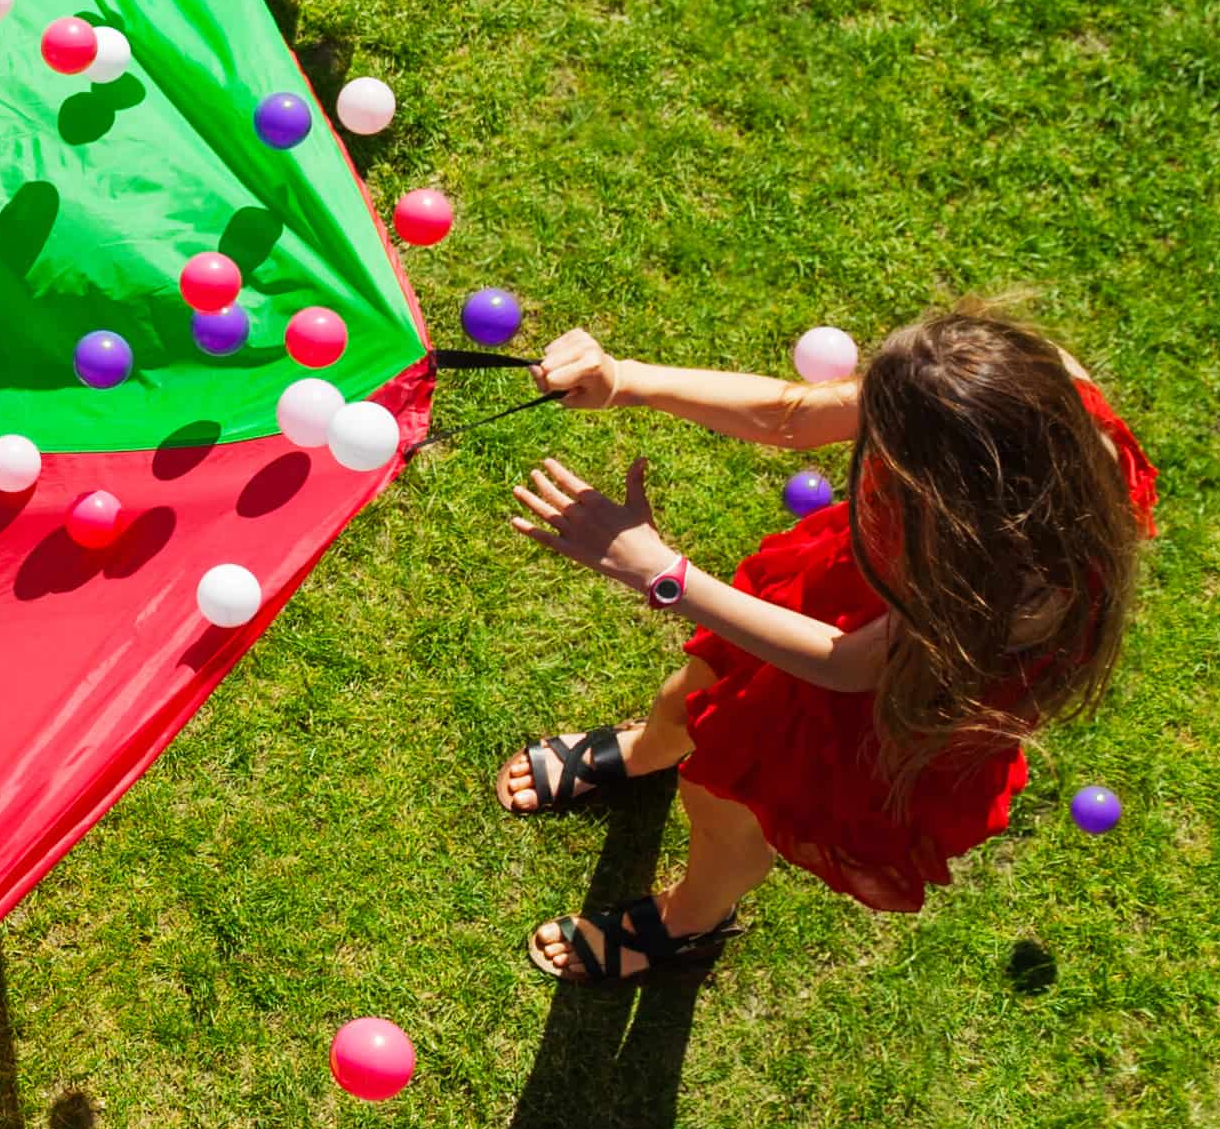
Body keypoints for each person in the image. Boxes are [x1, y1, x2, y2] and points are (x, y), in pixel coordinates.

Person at [492, 307, 1154, 983]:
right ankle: (645, 750)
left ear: (952, 495)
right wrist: (624, 379)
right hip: (854, 600)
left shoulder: (1019, 581)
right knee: (692, 694)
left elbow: (850, 664)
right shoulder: (1012, 392)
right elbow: (792, 416)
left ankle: (690, 918)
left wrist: (663, 576)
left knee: (726, 808)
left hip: (888, 697)